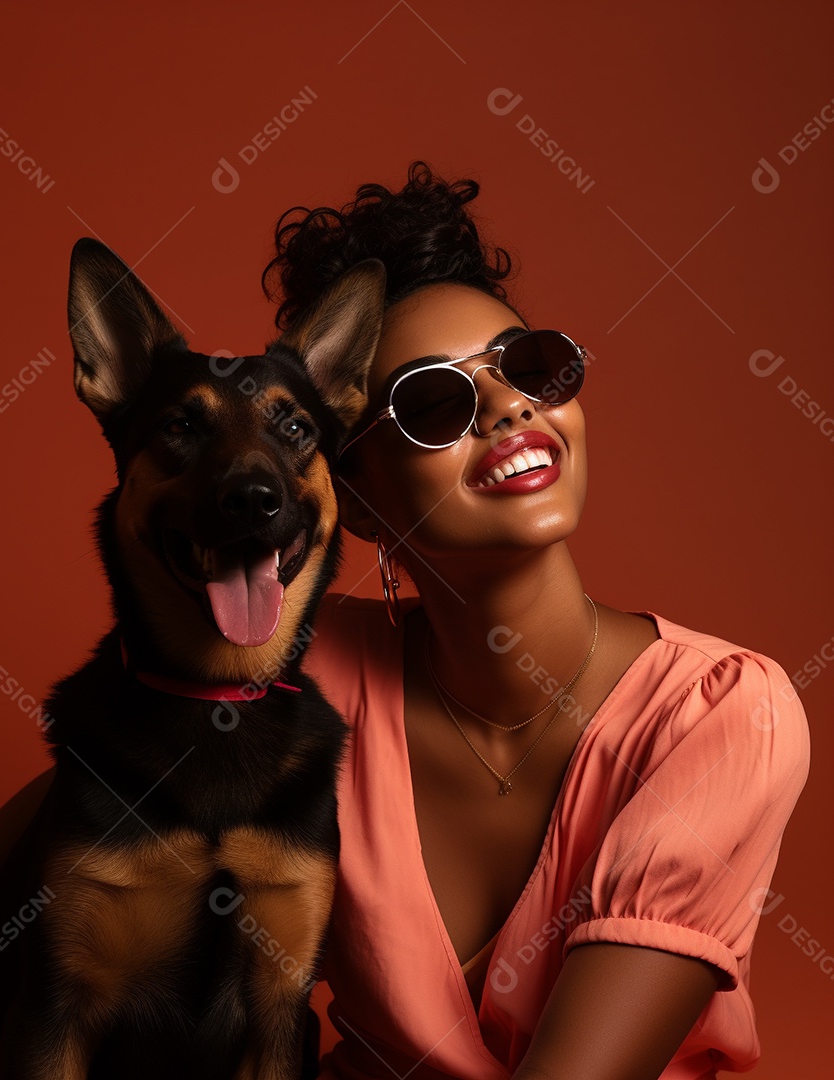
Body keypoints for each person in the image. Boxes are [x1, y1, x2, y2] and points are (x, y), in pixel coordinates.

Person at [259, 160, 812, 1080]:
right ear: (355, 498)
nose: (511, 406)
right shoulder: (310, 678)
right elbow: (80, 803)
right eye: (434, 403)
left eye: (529, 366)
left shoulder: (725, 714)